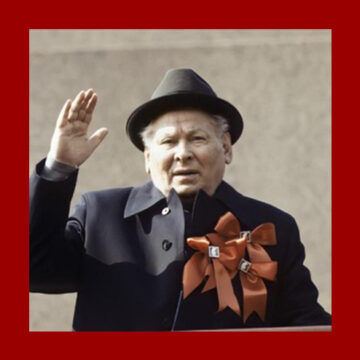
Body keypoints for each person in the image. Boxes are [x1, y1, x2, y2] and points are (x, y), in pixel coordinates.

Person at [29, 68, 331, 331]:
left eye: (197, 139)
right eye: (168, 141)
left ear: (226, 148)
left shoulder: (272, 226)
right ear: (148, 158)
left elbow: (306, 325)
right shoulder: (100, 215)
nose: (183, 153)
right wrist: (59, 167)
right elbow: (33, 270)